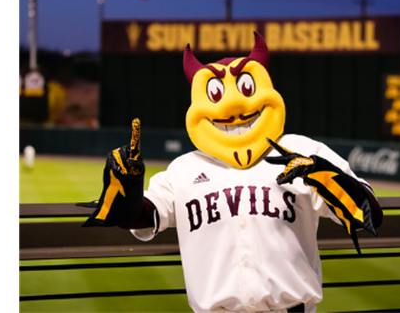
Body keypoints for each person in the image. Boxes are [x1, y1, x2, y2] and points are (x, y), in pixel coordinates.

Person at [79, 32, 383, 313]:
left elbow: (369, 213)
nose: (234, 105)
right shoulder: (184, 169)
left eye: (246, 88)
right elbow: (141, 217)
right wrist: (128, 185)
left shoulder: (301, 150)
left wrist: (321, 173)